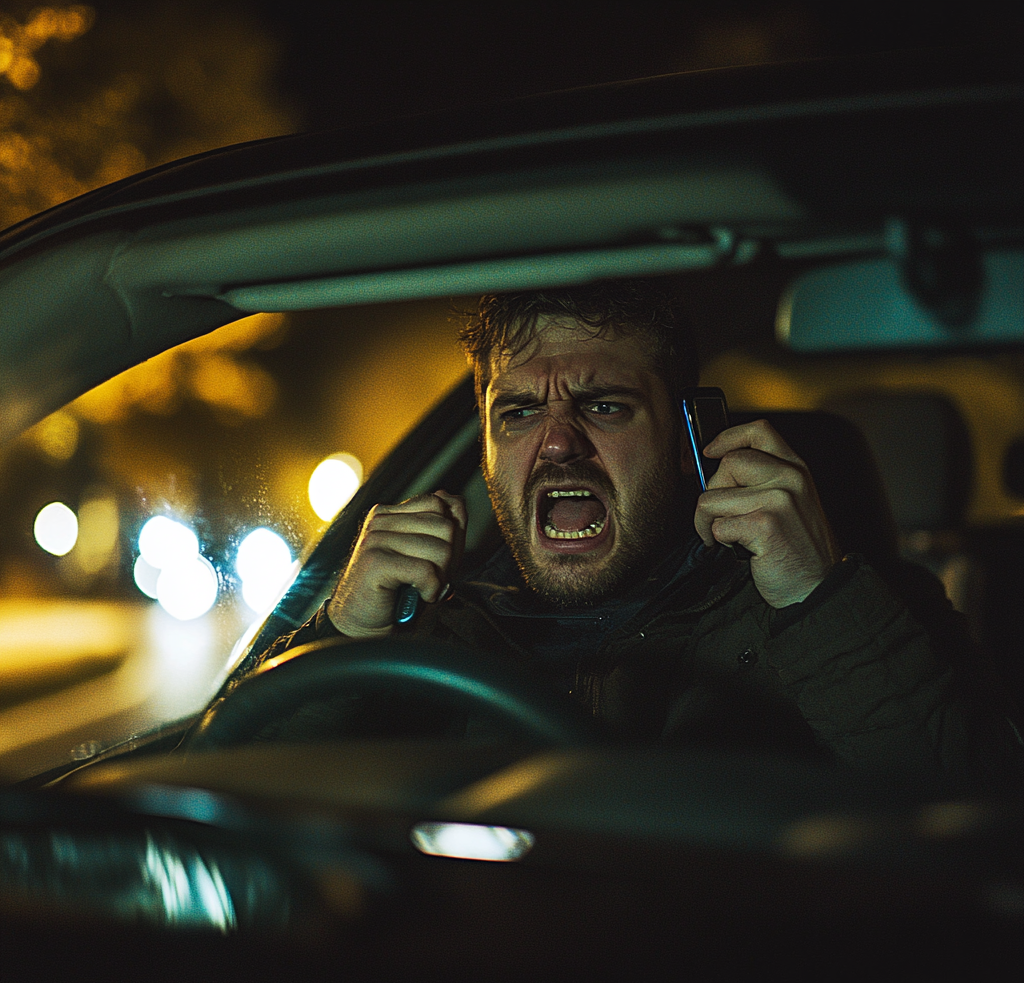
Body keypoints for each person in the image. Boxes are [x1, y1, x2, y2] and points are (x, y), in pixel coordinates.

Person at [260, 280, 1021, 787]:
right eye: (518, 412)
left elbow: (976, 818)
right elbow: (231, 798)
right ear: (488, 448)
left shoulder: (849, 610)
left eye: (605, 406)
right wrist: (341, 635)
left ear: (693, 436)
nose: (556, 444)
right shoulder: (425, 631)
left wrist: (818, 598)